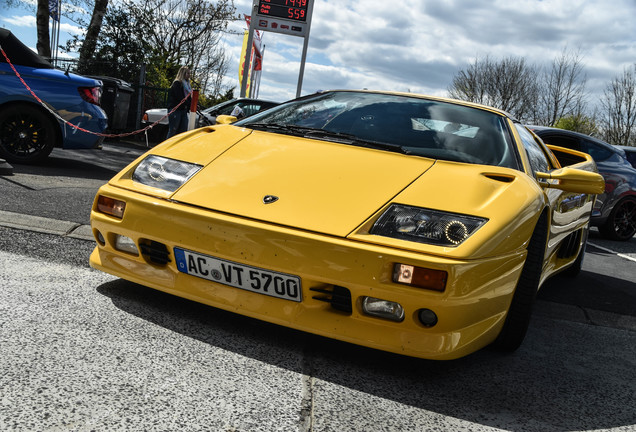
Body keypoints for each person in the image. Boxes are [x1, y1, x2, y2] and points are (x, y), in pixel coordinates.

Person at [166, 66, 192, 138]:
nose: (189, 75)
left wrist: (193, 104)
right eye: (188, 73)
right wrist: (189, 104)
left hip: (183, 110)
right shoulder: (177, 83)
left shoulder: (187, 86)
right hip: (175, 109)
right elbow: (180, 98)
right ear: (183, 73)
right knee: (173, 130)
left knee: (183, 130)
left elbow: (189, 97)